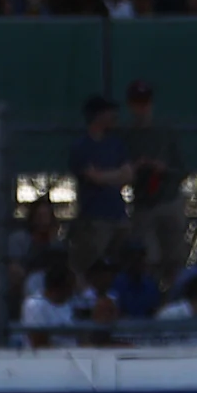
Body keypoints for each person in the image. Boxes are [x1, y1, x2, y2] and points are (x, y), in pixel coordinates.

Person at [121, 81, 188, 280]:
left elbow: (182, 170)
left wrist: (164, 169)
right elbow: (122, 172)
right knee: (148, 258)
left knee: (175, 257)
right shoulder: (127, 136)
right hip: (144, 203)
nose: (142, 108)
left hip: (169, 200)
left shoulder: (166, 133)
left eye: (146, 102)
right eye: (138, 103)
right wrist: (136, 167)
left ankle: (175, 291)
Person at [68, 95, 131, 275]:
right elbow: (92, 177)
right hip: (94, 218)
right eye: (109, 112)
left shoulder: (116, 144)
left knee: (121, 265)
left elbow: (128, 174)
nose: (114, 116)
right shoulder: (82, 146)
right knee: (91, 267)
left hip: (118, 215)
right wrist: (115, 175)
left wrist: (103, 175)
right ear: (97, 115)